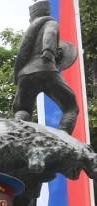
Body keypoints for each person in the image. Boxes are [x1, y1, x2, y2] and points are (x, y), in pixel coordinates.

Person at [13, 0, 79, 134]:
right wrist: (48, 50)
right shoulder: (51, 22)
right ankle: (64, 136)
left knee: (23, 109)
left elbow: (22, 53)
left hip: (24, 75)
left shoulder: (30, 31)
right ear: (47, 12)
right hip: (45, 69)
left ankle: (18, 134)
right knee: (70, 106)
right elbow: (50, 33)